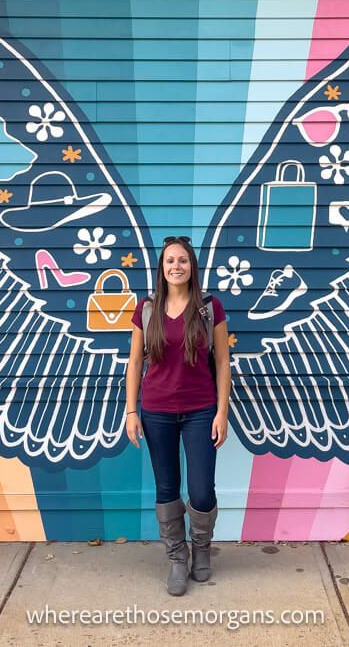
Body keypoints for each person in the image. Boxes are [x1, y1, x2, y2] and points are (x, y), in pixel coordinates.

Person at [124, 235, 231, 596]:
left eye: (182, 260)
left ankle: (201, 548)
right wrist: (131, 411)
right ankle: (176, 557)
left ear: (192, 266)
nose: (176, 266)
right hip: (156, 412)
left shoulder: (209, 307)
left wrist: (222, 411)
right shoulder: (147, 308)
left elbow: (222, 361)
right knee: (167, 488)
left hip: (201, 411)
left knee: (202, 491)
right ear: (162, 267)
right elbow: (135, 361)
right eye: (170, 260)